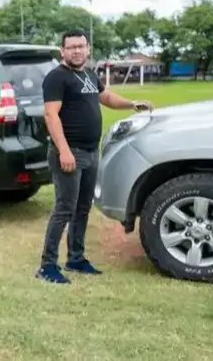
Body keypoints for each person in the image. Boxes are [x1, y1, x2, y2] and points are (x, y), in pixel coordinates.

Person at [35, 29, 152, 284]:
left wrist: (132, 104)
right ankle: (47, 266)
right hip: (70, 153)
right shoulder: (57, 78)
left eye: (81, 46)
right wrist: (64, 151)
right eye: (71, 47)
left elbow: (106, 97)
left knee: (82, 208)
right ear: (62, 51)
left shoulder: (88, 74)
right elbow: (50, 116)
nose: (76, 51)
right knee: (64, 208)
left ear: (88, 49)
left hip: (90, 152)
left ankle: (76, 258)